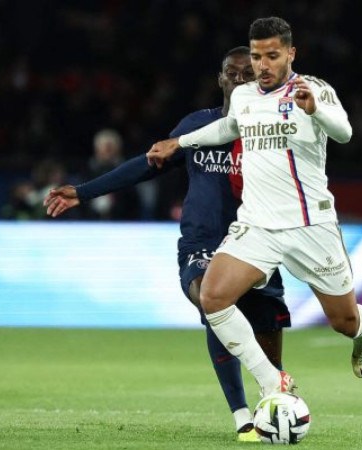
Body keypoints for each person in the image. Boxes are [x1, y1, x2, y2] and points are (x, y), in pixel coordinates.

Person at [43, 46, 290, 442]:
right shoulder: (196, 125)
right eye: (232, 71)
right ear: (221, 79)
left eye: (249, 70)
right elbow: (147, 163)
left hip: (257, 242)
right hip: (203, 242)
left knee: (267, 343)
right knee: (212, 300)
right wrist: (84, 192)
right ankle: (241, 415)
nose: (240, 76)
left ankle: (274, 402)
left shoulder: (274, 128)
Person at [147, 17, 362, 399]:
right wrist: (181, 143)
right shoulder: (245, 96)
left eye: (272, 55)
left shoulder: (314, 89)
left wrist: (315, 109)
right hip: (257, 225)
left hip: (310, 225)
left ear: (290, 53)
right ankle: (273, 382)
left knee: (343, 320)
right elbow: (228, 129)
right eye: (257, 56)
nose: (262, 65)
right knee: (214, 297)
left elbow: (344, 132)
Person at [82, 129, 142, 221]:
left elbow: (133, 202)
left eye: (110, 148)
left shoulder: (127, 171)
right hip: (89, 222)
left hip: (121, 222)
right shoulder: (86, 171)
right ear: (96, 149)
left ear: (118, 149)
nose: (107, 151)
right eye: (104, 147)